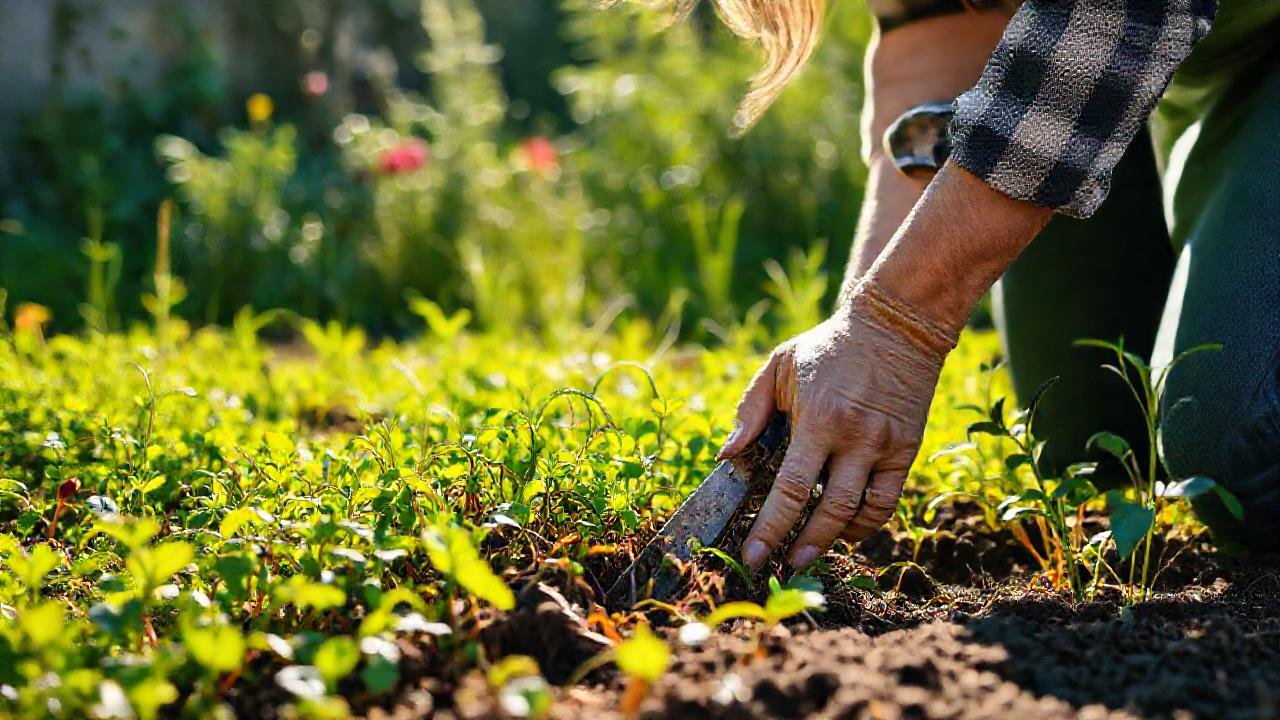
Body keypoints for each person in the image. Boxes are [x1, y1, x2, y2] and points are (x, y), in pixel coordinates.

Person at [688, 0, 1280, 570]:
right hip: (1173, 63)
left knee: (1245, 450)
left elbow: (1119, 16)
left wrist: (899, 325)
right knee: (1082, 437)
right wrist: (855, 341)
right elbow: (931, 43)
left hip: (1136, 36)